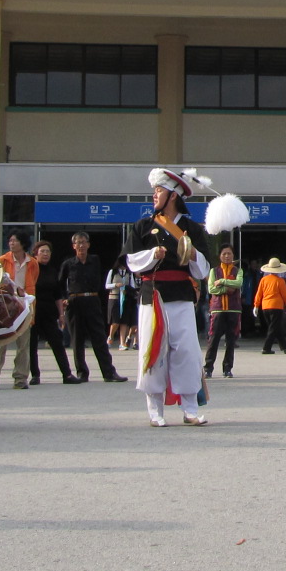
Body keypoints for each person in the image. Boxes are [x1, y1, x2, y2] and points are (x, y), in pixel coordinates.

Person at [124, 167, 212, 426]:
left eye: (159, 191)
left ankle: (190, 409)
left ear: (173, 195)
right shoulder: (143, 226)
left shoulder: (192, 229)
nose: (154, 195)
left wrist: (192, 253)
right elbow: (130, 261)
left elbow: (204, 268)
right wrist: (153, 255)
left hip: (182, 296)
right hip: (152, 295)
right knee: (153, 350)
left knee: (186, 350)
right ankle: (155, 411)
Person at [59, 233, 125, 383]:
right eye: (78, 243)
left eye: (84, 242)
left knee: (99, 338)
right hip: (75, 302)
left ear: (88, 244)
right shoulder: (68, 264)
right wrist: (64, 299)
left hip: (92, 300)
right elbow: (60, 283)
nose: (81, 245)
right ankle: (82, 372)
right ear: (73, 246)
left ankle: (109, 372)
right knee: (77, 340)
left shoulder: (95, 260)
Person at [0, 232, 37, 390]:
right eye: (10, 240)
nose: (11, 243)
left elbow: (32, 284)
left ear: (23, 243)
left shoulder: (32, 263)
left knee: (23, 346)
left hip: (24, 307)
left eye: (15, 240)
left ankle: (21, 379)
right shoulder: (1, 260)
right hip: (5, 306)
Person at [28, 240, 79, 384]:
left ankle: (67, 374)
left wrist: (61, 314)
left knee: (57, 343)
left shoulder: (52, 270)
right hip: (33, 312)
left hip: (49, 312)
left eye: (48, 251)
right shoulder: (31, 269)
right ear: (35, 254)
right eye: (42, 251)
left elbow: (57, 294)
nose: (45, 254)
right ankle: (35, 375)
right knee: (32, 345)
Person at [204, 244, 244, 378]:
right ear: (220, 256)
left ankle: (227, 368)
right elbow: (211, 289)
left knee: (231, 341)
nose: (227, 256)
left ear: (233, 256)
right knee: (213, 339)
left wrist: (221, 281)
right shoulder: (213, 271)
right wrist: (226, 289)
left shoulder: (238, 271)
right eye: (224, 254)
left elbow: (238, 284)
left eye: (229, 254)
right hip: (218, 309)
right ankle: (208, 367)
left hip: (233, 309)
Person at [254, 257, 286, 354]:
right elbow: (285, 294)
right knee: (273, 327)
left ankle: (285, 347)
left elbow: (259, 294)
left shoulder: (263, 280)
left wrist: (256, 305)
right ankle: (266, 347)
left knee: (275, 327)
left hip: (265, 306)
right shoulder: (280, 281)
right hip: (277, 306)